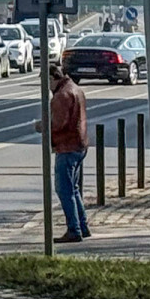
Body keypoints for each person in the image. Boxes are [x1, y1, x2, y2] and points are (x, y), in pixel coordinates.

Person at [36, 62, 90, 243]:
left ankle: (74, 229)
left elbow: (58, 124)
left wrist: (41, 126)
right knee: (73, 189)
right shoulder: (75, 88)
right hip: (79, 144)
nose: (46, 87)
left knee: (64, 190)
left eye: (46, 82)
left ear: (52, 78)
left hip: (67, 146)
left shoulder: (61, 96)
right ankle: (82, 226)